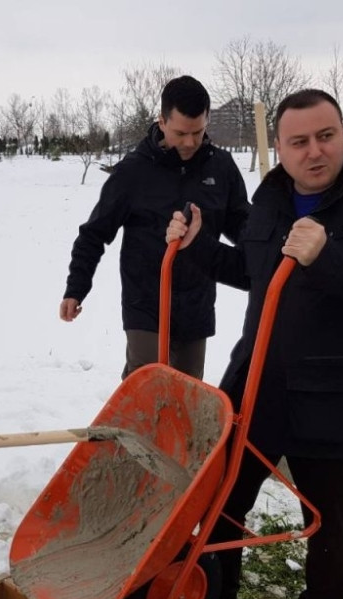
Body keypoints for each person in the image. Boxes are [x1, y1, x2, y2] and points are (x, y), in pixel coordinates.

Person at [165, 89, 343, 599]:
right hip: (256, 385)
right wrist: (197, 246)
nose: (315, 151)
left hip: (334, 396)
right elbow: (254, 272)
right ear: (277, 148)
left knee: (327, 521)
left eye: (326, 136)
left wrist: (328, 255)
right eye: (299, 141)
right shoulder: (272, 198)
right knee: (224, 502)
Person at [60, 75, 250, 379]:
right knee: (148, 382)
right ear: (161, 121)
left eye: (198, 132)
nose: (189, 142)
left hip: (196, 302)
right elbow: (94, 233)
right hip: (145, 301)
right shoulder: (133, 172)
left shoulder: (221, 167)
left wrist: (267, 246)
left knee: (187, 394)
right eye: (180, 133)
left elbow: (241, 221)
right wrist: (76, 287)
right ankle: (133, 422)